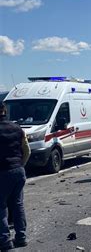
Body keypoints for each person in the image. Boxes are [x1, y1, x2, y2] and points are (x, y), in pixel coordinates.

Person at [0, 102, 30, 250]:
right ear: (4, 110)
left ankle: (5, 241)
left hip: (2, 172)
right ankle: (21, 237)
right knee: (17, 205)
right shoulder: (18, 128)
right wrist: (20, 165)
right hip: (18, 170)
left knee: (1, 208)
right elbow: (27, 150)